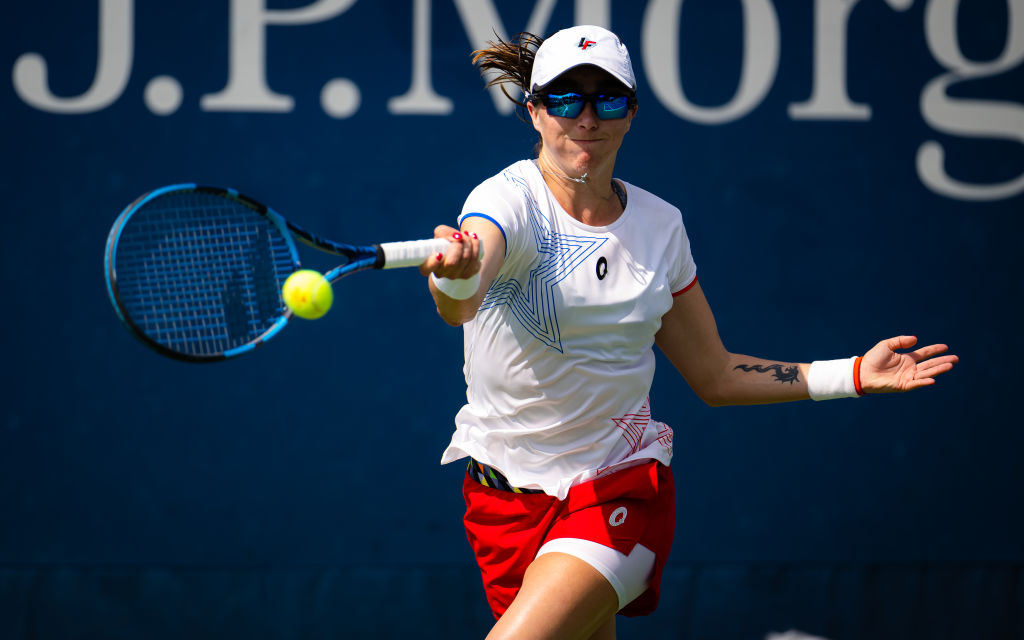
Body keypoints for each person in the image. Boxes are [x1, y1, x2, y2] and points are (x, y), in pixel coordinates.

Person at [418, 25, 958, 640]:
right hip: (502, 503)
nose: (586, 118)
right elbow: (459, 305)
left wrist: (852, 374)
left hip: (617, 485)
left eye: (608, 99)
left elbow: (715, 374)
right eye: (566, 100)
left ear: (631, 112)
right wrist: (457, 279)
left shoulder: (661, 226)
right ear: (535, 112)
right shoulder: (505, 201)